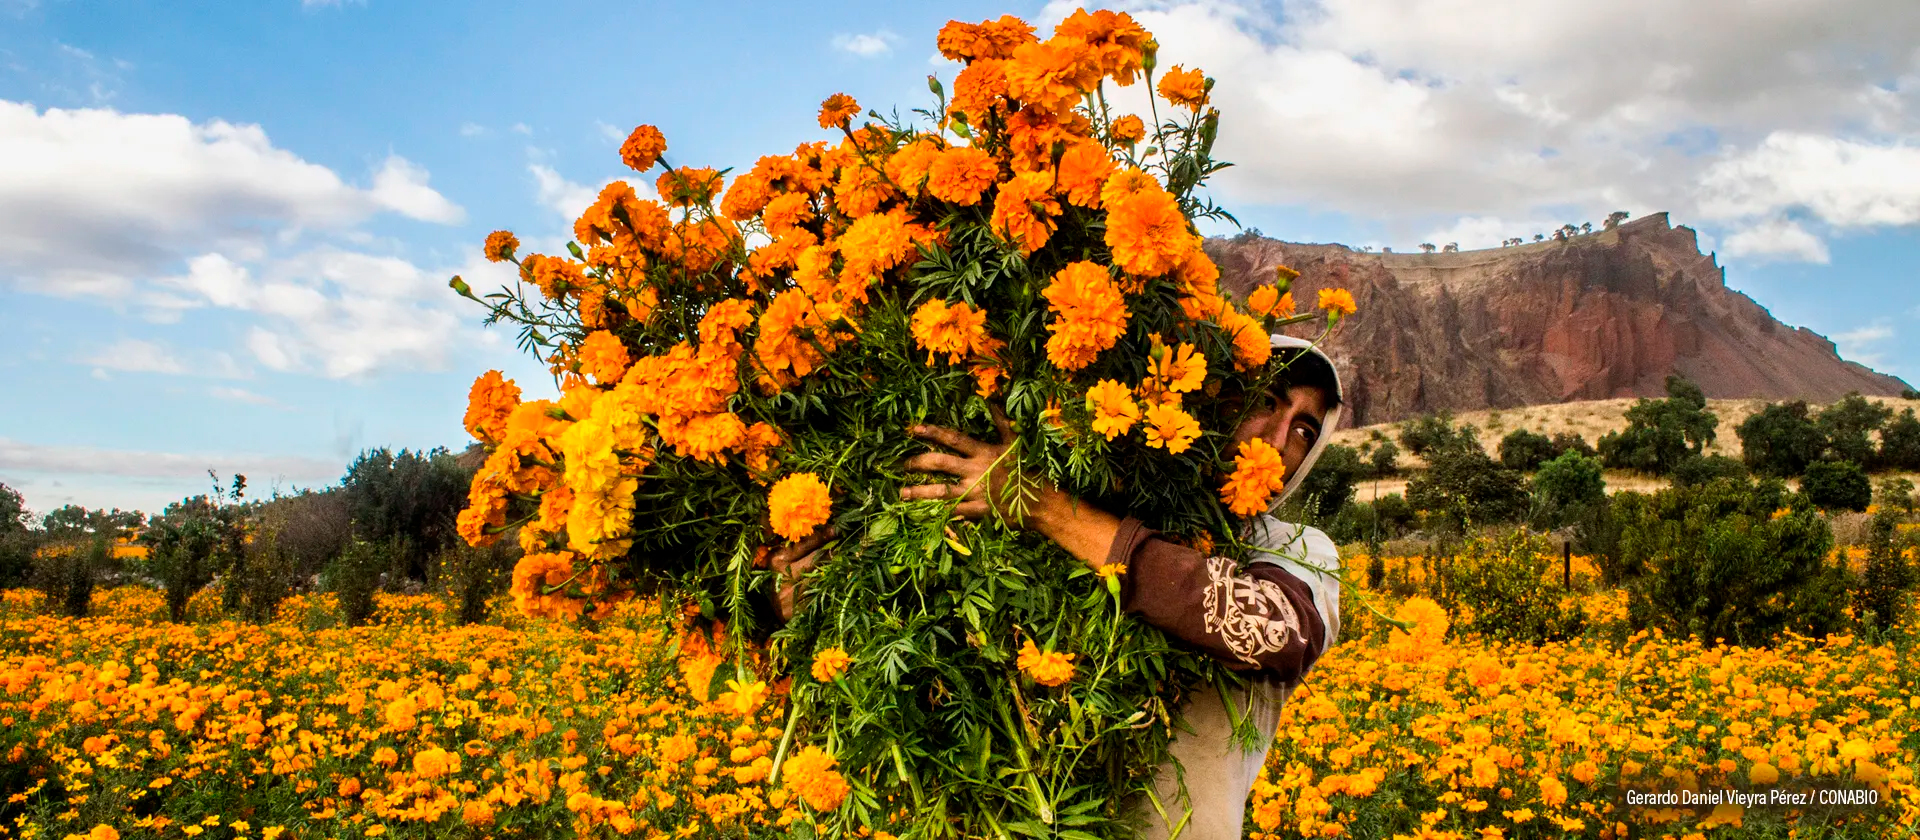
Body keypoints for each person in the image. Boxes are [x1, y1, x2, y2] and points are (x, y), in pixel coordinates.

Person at [771, 334, 1345, 839]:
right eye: (1264, 401)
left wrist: (1042, 505)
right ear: (1216, 397)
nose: (1272, 439)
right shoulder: (1100, 502)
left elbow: (1271, 632)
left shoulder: (1297, 551)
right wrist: (814, 601)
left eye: (1302, 429)